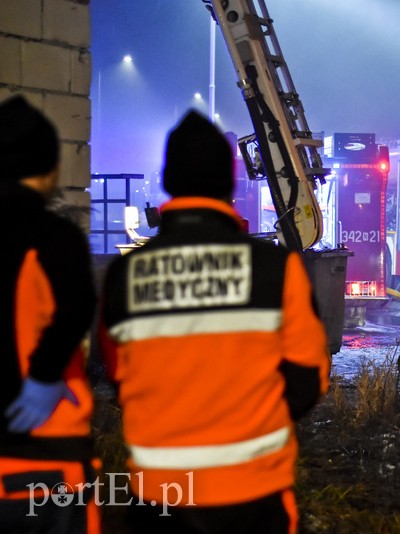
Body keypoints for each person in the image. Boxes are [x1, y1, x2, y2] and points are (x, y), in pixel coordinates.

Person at [98, 111, 330, 532]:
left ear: (168, 180)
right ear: (228, 183)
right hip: (253, 498)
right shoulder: (276, 269)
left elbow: (118, 376)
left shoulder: (125, 275)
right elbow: (310, 377)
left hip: (159, 500)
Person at [0, 96, 99, 532]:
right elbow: (77, 307)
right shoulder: (54, 237)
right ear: (50, 170)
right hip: (44, 457)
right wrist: (43, 377)